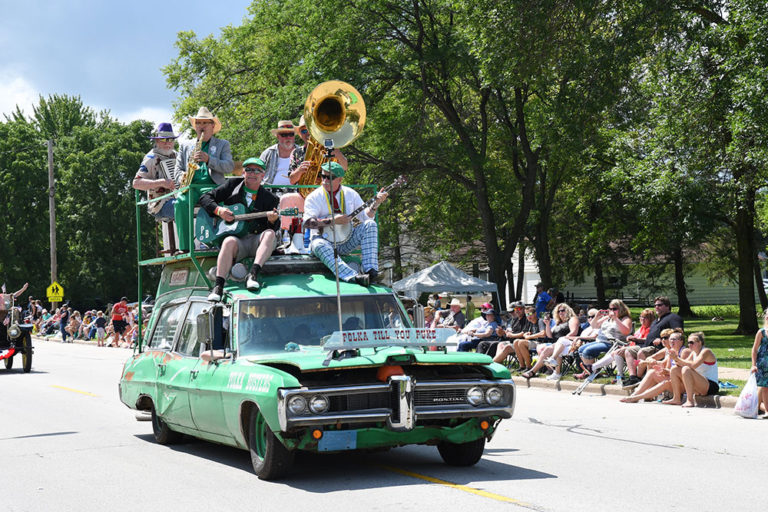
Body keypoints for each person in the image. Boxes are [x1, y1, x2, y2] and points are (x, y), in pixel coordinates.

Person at [199, 157, 279, 300]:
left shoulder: (270, 199)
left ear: (263, 175)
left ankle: (253, 274)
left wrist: (272, 221)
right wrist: (219, 211)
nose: (252, 173)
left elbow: (274, 227)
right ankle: (218, 287)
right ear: (243, 172)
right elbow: (205, 198)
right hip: (237, 241)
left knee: (269, 233)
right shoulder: (232, 185)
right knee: (228, 241)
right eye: (248, 169)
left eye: (257, 171)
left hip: (255, 241)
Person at [302, 161, 388, 286]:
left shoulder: (350, 194)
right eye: (323, 176)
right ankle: (354, 276)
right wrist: (332, 221)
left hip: (346, 241)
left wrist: (375, 205)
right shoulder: (314, 197)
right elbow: (308, 223)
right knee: (318, 244)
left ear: (340, 179)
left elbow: (365, 217)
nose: (325, 180)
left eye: (330, 177)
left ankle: (371, 271)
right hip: (324, 242)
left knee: (371, 225)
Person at [174, 107, 234, 252]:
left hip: (212, 186)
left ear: (212, 126)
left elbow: (229, 166)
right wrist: (181, 176)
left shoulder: (222, 144)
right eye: (198, 123)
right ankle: (185, 247)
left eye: (205, 123)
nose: (201, 126)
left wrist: (209, 160)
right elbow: (177, 170)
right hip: (191, 186)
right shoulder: (185, 145)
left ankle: (216, 242)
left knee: (215, 201)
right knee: (180, 202)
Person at [620, 329, 690, 403]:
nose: (671, 341)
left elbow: (682, 372)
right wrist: (653, 365)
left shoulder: (684, 351)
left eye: (674, 339)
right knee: (652, 372)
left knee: (664, 381)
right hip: (674, 380)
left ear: (681, 341)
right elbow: (667, 368)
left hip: (683, 383)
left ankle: (636, 397)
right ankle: (635, 395)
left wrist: (659, 367)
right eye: (670, 339)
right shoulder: (671, 351)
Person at [574, 299, 633, 379]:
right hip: (601, 341)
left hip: (613, 344)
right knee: (581, 349)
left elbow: (626, 331)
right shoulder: (608, 318)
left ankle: (592, 372)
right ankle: (591, 372)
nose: (612, 311)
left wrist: (616, 319)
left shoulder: (625, 319)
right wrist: (597, 316)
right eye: (610, 309)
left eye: (614, 309)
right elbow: (594, 326)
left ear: (621, 309)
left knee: (587, 351)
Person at [132, 122, 179, 222]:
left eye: (170, 139)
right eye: (163, 139)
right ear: (157, 141)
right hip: (159, 203)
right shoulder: (151, 158)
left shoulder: (177, 155)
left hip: (178, 198)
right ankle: (186, 238)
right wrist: (161, 182)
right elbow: (136, 183)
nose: (167, 143)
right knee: (181, 207)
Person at [625, 296, 683, 375]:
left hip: (659, 347)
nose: (656, 307)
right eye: (655, 305)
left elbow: (678, 332)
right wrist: (637, 339)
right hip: (646, 345)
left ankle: (639, 377)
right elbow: (650, 337)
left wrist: (662, 339)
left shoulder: (673, 317)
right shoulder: (656, 321)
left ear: (667, 306)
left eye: (659, 305)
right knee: (628, 351)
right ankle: (632, 376)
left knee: (642, 352)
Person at [522, 303, 580, 380]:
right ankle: (534, 371)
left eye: (563, 310)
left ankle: (552, 361)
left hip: (570, 343)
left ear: (568, 311)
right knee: (546, 349)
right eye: (558, 311)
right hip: (558, 345)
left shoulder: (572, 319)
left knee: (560, 341)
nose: (560, 313)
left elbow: (574, 332)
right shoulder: (558, 323)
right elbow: (549, 336)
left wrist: (562, 338)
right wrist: (547, 324)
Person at [662, 331, 719, 407]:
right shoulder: (693, 353)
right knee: (674, 369)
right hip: (700, 383)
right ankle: (676, 398)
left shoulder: (706, 351)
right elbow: (681, 364)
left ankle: (690, 400)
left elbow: (693, 365)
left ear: (700, 343)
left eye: (692, 342)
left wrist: (677, 358)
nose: (689, 345)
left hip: (710, 385)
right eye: (688, 343)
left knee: (686, 369)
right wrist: (674, 358)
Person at [260, 120, 301, 187]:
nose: (288, 137)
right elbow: (257, 173)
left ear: (294, 136)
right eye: (284, 134)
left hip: (296, 192)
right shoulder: (268, 153)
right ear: (278, 136)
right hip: (270, 193)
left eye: (291, 134)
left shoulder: (302, 152)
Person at [751, 308, 768, 416]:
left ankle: (757, 407)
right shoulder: (761, 332)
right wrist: (753, 365)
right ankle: (767, 411)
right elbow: (754, 349)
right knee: (765, 387)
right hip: (763, 365)